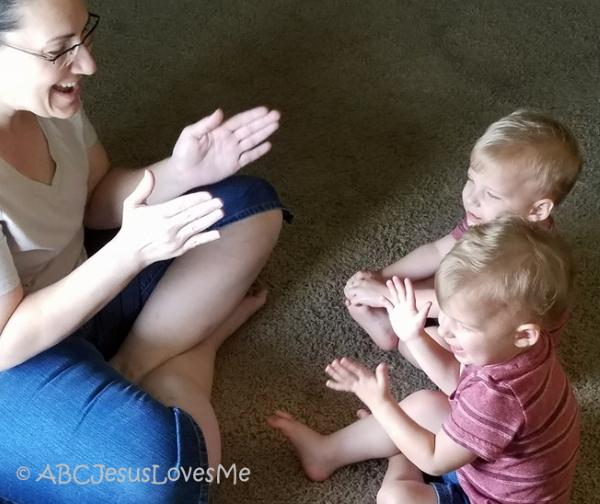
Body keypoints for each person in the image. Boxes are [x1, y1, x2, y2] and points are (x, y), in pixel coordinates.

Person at [0, 0, 291, 502]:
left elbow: (94, 198)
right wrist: (128, 254)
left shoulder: (49, 99)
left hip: (83, 286)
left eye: (83, 35)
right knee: (166, 474)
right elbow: (6, 340)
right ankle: (191, 351)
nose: (87, 63)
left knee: (250, 206)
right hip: (16, 354)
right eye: (59, 51)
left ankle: (131, 365)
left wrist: (184, 171)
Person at [269, 216, 580, 504]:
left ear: (524, 334)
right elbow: (459, 382)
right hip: (491, 460)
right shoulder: (519, 349)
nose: (444, 329)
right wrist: (415, 336)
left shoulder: (498, 396)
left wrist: (381, 404)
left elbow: (435, 458)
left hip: (488, 497)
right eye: (443, 313)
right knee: (424, 405)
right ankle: (327, 453)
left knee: (394, 497)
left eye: (464, 326)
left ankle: (398, 457)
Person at [344, 109, 582, 362]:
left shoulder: (524, 259)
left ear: (538, 209)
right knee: (435, 277)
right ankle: (389, 323)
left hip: (502, 342)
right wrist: (384, 277)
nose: (471, 198)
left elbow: (462, 303)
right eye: (471, 180)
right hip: (472, 301)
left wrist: (386, 295)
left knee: (420, 342)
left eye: (492, 194)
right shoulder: (490, 220)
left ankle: (402, 334)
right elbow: (437, 251)